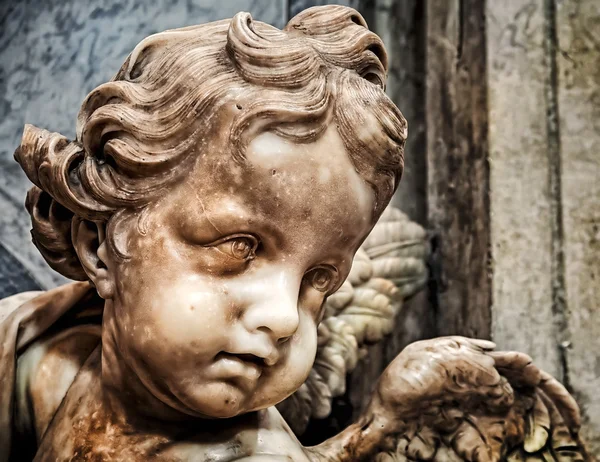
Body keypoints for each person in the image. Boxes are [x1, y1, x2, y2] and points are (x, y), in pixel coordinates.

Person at [1, 6, 407, 460]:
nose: (286, 318)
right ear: (99, 245)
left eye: (319, 279)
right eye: (240, 246)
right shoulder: (31, 351)